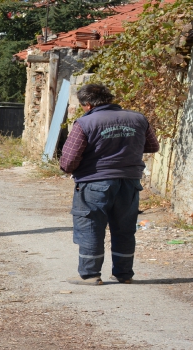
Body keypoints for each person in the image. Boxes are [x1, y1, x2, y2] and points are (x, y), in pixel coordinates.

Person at [60, 84, 160, 285]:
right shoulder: (138, 118)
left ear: (87, 104)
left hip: (94, 183)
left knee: (90, 227)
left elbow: (68, 162)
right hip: (130, 183)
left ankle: (91, 275)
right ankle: (124, 274)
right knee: (124, 228)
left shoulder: (85, 123)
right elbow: (153, 146)